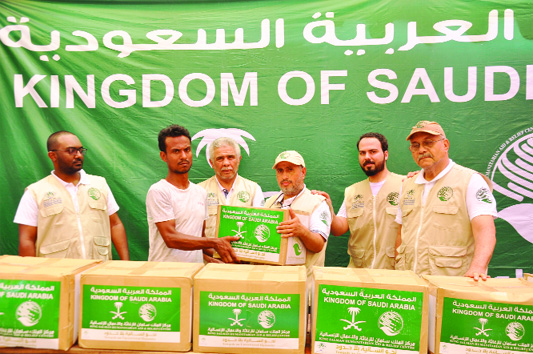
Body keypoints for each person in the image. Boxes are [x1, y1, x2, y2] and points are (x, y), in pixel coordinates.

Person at [395, 121, 497, 280]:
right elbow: (401, 233)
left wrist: (478, 267)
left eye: (428, 142)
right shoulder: (408, 185)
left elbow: (485, 229)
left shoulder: (470, 180)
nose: (421, 149)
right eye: (415, 145)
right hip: (410, 284)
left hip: (450, 283)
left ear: (445, 144)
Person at [14, 131, 129, 260]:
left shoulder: (99, 184)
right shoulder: (35, 192)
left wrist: (126, 263)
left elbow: (115, 224)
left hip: (96, 270)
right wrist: (32, 276)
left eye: (80, 150)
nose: (78, 155)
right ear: (53, 156)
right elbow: (26, 239)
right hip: (56, 273)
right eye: (71, 151)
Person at [145, 124, 240, 263]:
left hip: (194, 276)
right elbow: (171, 238)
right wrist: (215, 242)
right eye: (176, 151)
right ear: (163, 156)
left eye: (187, 150)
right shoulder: (159, 191)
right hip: (165, 276)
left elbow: (200, 241)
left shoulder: (200, 192)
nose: (183, 156)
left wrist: (232, 255)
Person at [313, 133, 404, 269]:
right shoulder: (352, 191)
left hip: (392, 273)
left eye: (373, 152)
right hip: (358, 274)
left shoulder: (405, 185)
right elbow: (339, 229)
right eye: (362, 153)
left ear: (386, 155)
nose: (367, 157)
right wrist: (329, 208)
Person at [264, 151, 331, 279]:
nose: (284, 176)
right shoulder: (270, 203)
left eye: (290, 170)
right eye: (280, 171)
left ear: (303, 172)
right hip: (273, 283)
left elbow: (318, 245)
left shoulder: (318, 203)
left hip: (304, 284)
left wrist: (302, 231)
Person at [199, 137, 264, 238]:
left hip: (245, 253)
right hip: (209, 253)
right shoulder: (199, 191)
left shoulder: (254, 189)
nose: (226, 163)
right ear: (211, 163)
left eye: (230, 157)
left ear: (239, 160)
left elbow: (260, 226)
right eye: (220, 158)